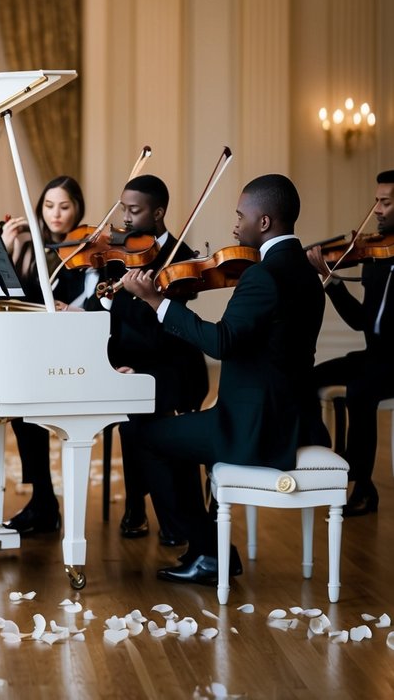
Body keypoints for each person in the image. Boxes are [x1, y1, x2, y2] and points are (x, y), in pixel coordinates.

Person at [117, 173, 327, 587]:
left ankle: (208, 551)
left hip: (255, 425)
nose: (235, 226)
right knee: (172, 435)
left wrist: (157, 302)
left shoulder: (264, 275)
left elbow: (222, 342)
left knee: (149, 436)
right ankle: (207, 548)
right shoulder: (305, 271)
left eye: (240, 216)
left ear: (263, 222)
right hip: (295, 416)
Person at [98, 175, 208, 545]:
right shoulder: (118, 252)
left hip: (172, 365)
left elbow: (165, 330)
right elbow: (112, 322)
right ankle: (136, 505)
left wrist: (139, 299)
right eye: (123, 208)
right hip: (128, 360)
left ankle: (163, 513)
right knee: (130, 410)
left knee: (137, 418)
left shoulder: (182, 257)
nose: (125, 218)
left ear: (158, 213)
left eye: (134, 210)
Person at [0, 175, 90, 533]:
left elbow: (90, 305)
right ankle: (43, 498)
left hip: (75, 352)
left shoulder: (85, 249)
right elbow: (12, 299)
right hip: (40, 351)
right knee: (22, 411)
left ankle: (44, 502)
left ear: (78, 209)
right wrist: (8, 247)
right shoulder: (30, 246)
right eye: (49, 206)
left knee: (27, 407)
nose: (56, 214)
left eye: (65, 206)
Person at [308, 169, 394, 516]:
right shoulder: (377, 256)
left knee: (360, 390)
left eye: (385, 202)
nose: (377, 209)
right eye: (376, 201)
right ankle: (321, 456)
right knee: (311, 376)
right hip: (377, 356)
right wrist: (331, 281)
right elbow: (361, 321)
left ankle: (362, 486)